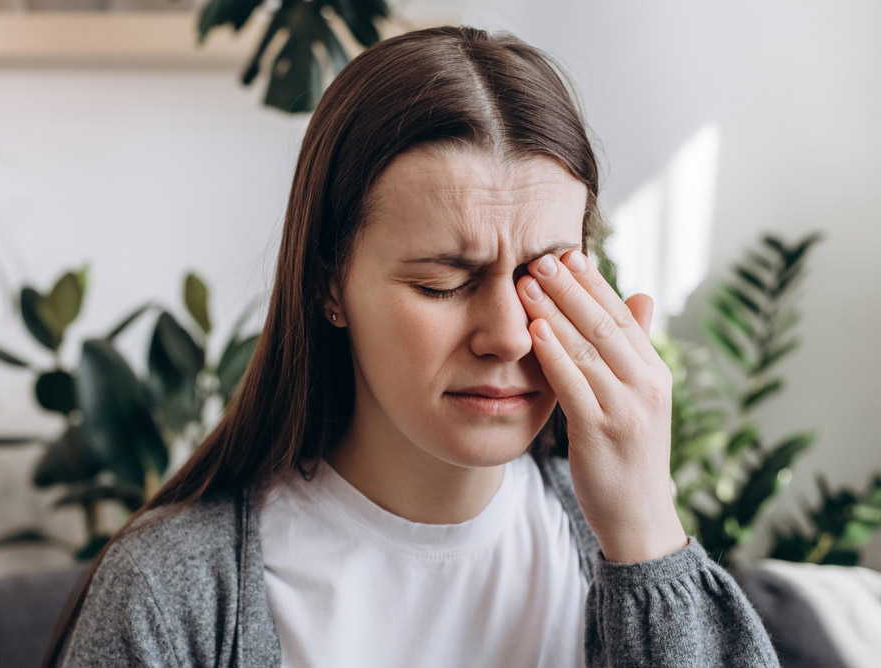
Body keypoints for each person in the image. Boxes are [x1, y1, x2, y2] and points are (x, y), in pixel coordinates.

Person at [45, 25, 780, 668]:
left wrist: (648, 530)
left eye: (541, 275)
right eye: (442, 283)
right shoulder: (174, 590)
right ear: (329, 284)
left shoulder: (629, 554)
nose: (508, 336)